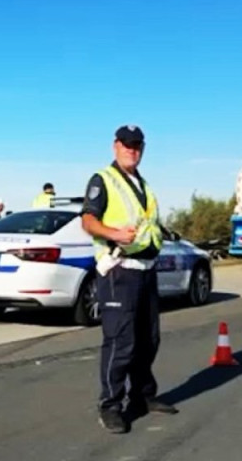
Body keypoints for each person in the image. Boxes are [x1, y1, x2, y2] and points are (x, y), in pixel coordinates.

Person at [80, 124, 178, 434]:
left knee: (148, 339)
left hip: (146, 270)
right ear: (115, 146)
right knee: (121, 342)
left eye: (137, 145)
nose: (132, 149)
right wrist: (114, 234)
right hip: (119, 271)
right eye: (126, 144)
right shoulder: (103, 180)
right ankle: (110, 405)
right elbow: (88, 220)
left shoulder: (143, 184)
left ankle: (142, 396)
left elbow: (148, 223)